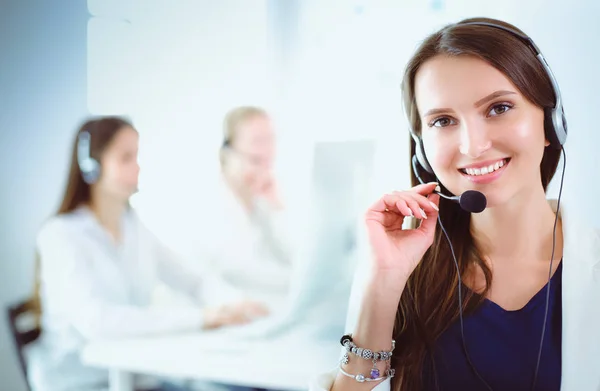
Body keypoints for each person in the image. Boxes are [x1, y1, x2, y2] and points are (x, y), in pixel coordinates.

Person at [310, 17, 600, 391]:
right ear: (422, 153)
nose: (472, 146)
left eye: (498, 108)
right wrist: (382, 284)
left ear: (550, 123)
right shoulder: (404, 270)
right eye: (443, 120)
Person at [26, 116, 268, 391]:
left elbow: (192, 278)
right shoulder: (60, 236)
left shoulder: (131, 225)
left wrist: (234, 305)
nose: (138, 167)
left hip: (133, 372)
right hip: (82, 381)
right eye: (126, 158)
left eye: (137, 156)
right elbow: (98, 322)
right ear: (91, 167)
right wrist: (202, 318)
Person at [186, 106, 294, 314]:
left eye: (269, 140)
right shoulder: (209, 204)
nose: (265, 150)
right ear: (228, 154)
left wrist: (278, 209)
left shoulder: (262, 202)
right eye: (256, 143)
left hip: (258, 311)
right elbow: (241, 269)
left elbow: (292, 256)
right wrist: (302, 280)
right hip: (216, 314)